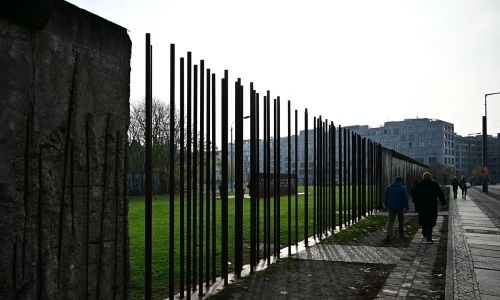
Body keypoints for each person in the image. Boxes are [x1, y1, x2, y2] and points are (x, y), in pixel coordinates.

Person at [413, 172, 447, 243]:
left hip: (422, 207)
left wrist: (416, 205)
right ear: (430, 177)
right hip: (432, 206)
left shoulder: (419, 185)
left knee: (423, 219)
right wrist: (443, 203)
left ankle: (424, 230)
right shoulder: (434, 184)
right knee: (431, 221)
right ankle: (429, 237)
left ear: (423, 177)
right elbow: (440, 194)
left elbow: (415, 196)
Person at [384, 176, 409, 242]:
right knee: (401, 221)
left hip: (391, 207)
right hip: (400, 207)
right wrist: (406, 207)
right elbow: (405, 199)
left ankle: (388, 234)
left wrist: (386, 205)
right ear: (401, 181)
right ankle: (401, 234)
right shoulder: (403, 188)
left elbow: (386, 197)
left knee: (390, 221)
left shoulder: (388, 187)